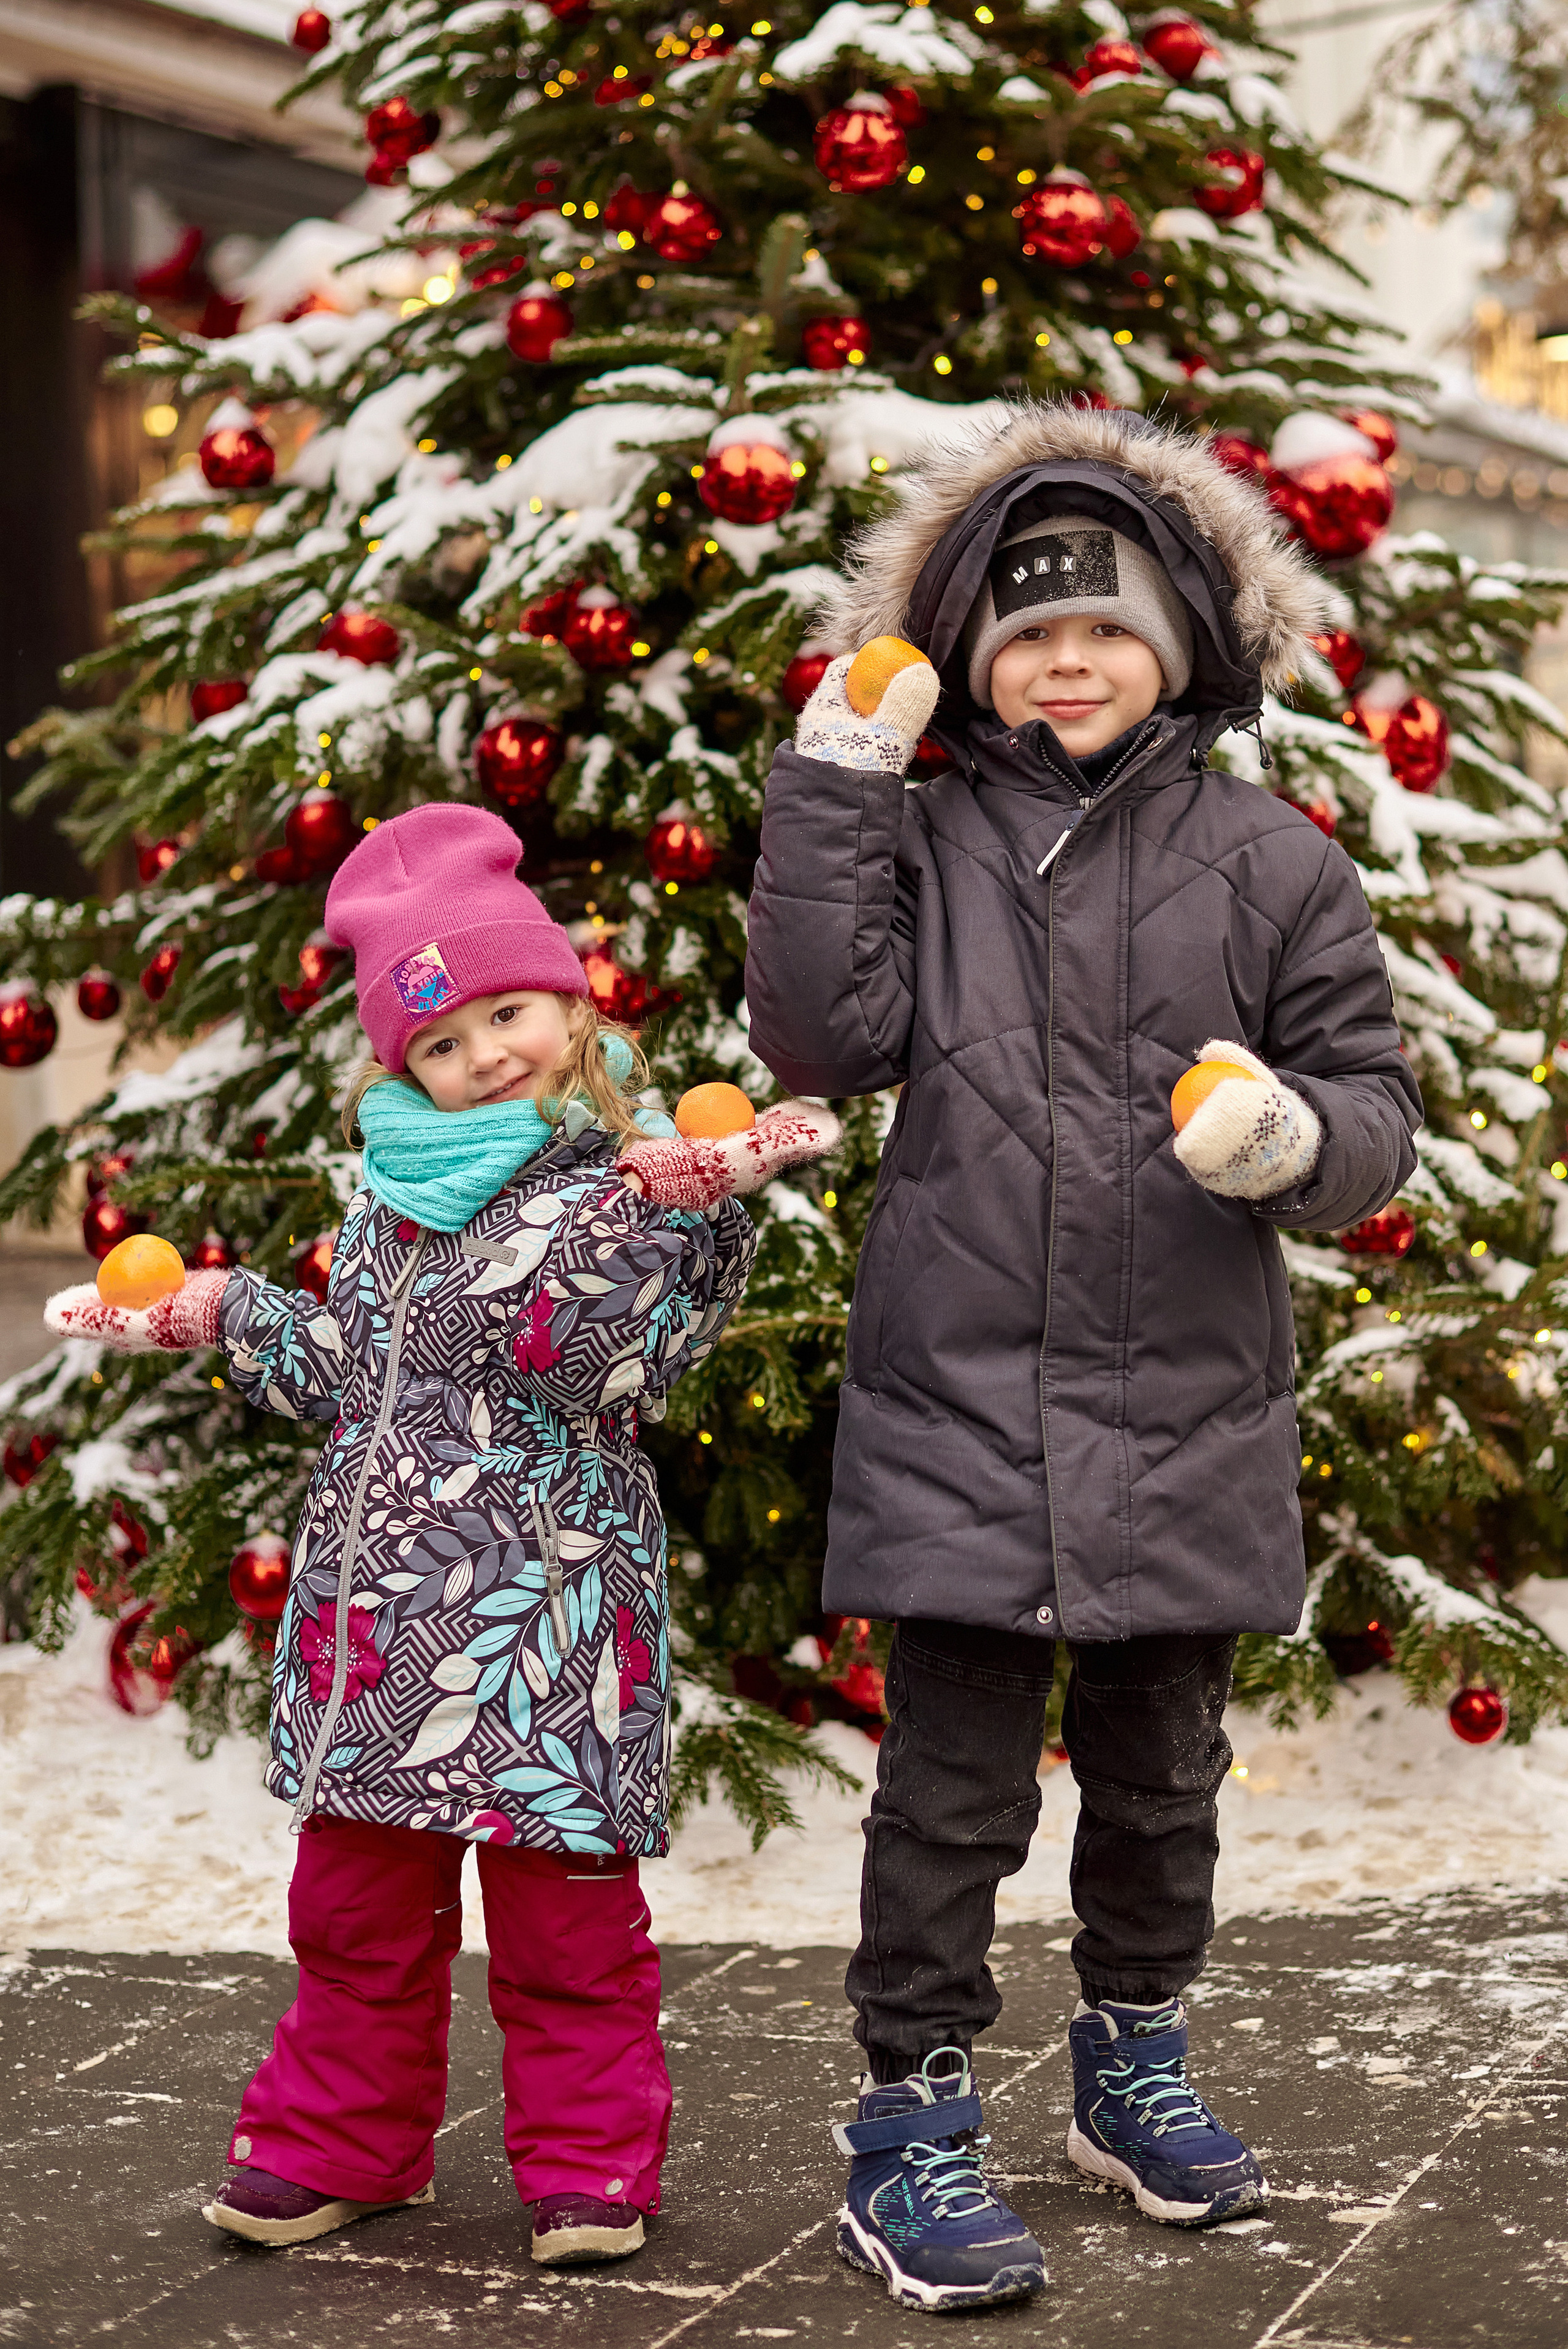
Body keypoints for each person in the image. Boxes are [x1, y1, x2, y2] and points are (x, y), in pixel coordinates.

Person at [745, 402, 1422, 2313]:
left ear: (1185, 646)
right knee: (948, 1789)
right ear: (969, 654)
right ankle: (915, 2110)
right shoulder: (927, 831)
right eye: (1030, 630)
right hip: (958, 1395)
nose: (1068, 656)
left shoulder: (1273, 860)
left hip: (1182, 1407)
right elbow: (817, 1032)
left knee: (1160, 1778)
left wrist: (1294, 1138)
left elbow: (1373, 1099)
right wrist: (834, 789)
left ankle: (1133, 2053)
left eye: (1109, 626)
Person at [48, 803, 837, 2264]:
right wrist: (213, 1310)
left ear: (568, 1004)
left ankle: (589, 2167)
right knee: (351, 1919)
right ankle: (340, 2147)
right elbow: (362, 1364)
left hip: (543, 1632)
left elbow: (594, 1356)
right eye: (442, 1043)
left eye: (508, 1014)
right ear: (402, 1065)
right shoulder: (393, 1203)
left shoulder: (626, 1175)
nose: (485, 1056)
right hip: (378, 1632)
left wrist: (690, 1210)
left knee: (565, 1932)